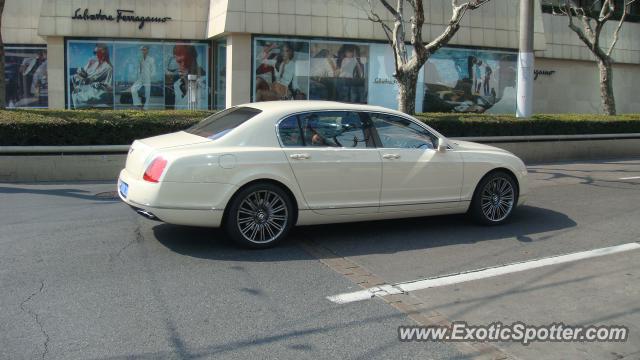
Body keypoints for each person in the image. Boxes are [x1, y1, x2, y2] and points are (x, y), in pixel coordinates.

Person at [71, 44, 113, 108]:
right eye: (94, 52)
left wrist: (98, 84)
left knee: (76, 95)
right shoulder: (93, 63)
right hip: (87, 89)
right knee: (75, 91)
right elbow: (83, 74)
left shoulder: (108, 67)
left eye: (97, 53)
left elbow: (109, 86)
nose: (95, 54)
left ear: (103, 54)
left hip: (97, 93)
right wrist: (88, 65)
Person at [167, 44, 207, 109]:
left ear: (193, 60)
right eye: (178, 62)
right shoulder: (177, 85)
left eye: (185, 61)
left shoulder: (205, 83)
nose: (181, 66)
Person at [131, 45, 156, 109]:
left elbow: (153, 69)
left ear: (147, 50)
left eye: (144, 50)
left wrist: (151, 77)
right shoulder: (140, 59)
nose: (143, 51)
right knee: (133, 88)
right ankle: (137, 103)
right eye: (142, 50)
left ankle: (146, 107)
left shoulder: (151, 59)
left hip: (147, 77)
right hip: (140, 77)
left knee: (147, 92)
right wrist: (137, 76)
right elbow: (139, 68)